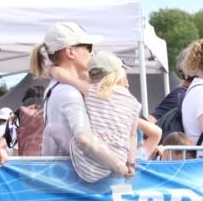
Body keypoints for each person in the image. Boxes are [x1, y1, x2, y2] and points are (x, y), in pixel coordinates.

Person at [29, 22, 128, 177]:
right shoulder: (69, 93)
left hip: (70, 179)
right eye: (88, 47)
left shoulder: (57, 87)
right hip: (83, 182)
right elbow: (84, 139)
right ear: (70, 52)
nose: (92, 53)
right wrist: (119, 167)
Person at [69, 52, 143, 183]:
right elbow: (133, 135)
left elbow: (61, 75)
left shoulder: (87, 91)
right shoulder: (133, 101)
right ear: (118, 74)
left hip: (86, 163)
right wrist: (131, 163)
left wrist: (54, 69)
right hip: (119, 163)